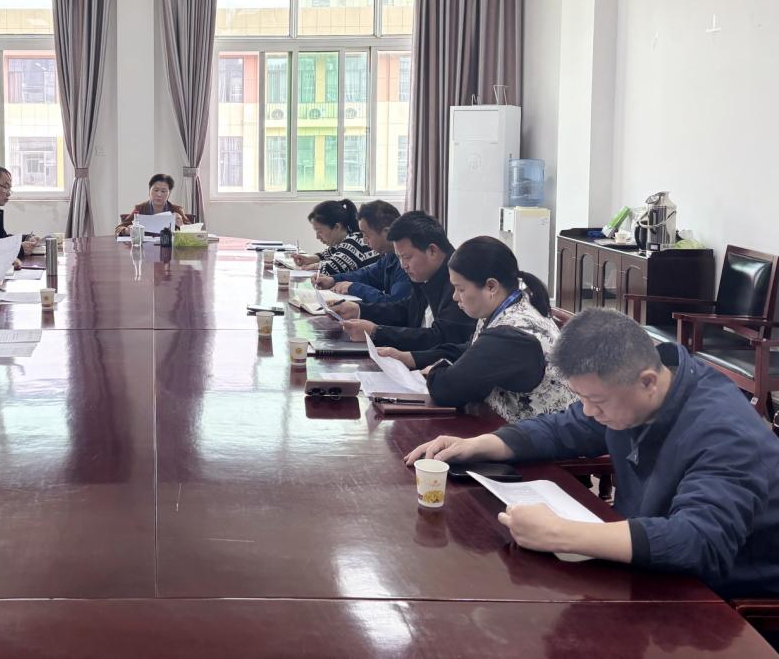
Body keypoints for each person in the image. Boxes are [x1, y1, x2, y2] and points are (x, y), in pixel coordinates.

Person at [405, 309, 779, 600]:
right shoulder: (636, 393)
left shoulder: (725, 433)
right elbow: (566, 427)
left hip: (718, 604)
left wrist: (561, 534)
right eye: (582, 397)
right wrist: (480, 444)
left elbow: (699, 542)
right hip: (642, 569)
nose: (587, 410)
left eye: (596, 400)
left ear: (647, 381)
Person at [378, 236, 575, 421]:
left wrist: (435, 371)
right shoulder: (511, 304)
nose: (455, 297)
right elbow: (473, 349)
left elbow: (447, 390)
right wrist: (412, 358)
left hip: (539, 439)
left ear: (491, 286)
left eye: (460, 289)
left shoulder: (512, 334)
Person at [334, 211, 473, 367]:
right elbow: (406, 310)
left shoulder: (460, 283)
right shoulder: (428, 274)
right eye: (399, 257)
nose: (402, 265)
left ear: (432, 251)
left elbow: (440, 338)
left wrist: (377, 332)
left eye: (407, 257)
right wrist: (360, 310)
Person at [314, 200, 411, 305]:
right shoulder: (390, 256)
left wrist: (354, 288)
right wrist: (333, 279)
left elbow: (394, 305)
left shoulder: (407, 264)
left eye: (366, 235)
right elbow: (367, 275)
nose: (364, 241)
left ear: (387, 232)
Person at [291, 199, 380, 276]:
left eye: (320, 231)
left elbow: (330, 269)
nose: (317, 237)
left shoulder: (354, 242)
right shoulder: (345, 240)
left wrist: (307, 267)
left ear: (337, 227)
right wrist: (308, 259)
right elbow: (326, 255)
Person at [0, 165, 39, 257]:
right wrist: (19, 249)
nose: (9, 193)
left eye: (9, 189)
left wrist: (26, 238)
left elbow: (2, 239)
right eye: (5, 187)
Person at [114, 173, 191, 235]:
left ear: (169, 193)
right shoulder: (140, 208)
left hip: (168, 247)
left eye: (163, 191)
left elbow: (193, 231)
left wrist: (182, 225)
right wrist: (127, 231)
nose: (159, 194)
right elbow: (119, 228)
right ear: (149, 191)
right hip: (145, 248)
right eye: (156, 190)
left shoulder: (176, 209)